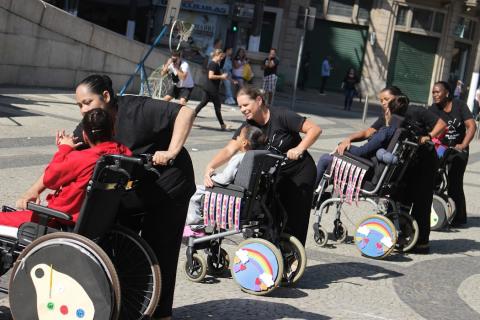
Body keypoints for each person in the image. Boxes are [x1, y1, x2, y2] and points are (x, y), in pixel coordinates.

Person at [20, 75, 196, 320]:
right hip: (135, 186)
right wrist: (33, 190)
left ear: (105, 96)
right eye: (79, 105)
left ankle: (160, 314)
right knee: (116, 239)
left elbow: (185, 113)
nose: (83, 109)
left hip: (170, 184)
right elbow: (67, 164)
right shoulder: (91, 125)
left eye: (87, 102)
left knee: (161, 248)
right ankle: (125, 304)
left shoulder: (137, 109)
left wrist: (172, 150)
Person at [203, 87, 322, 246]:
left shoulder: (281, 115)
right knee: (272, 216)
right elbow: (229, 149)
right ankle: (273, 256)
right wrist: (209, 167)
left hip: (299, 172)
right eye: (240, 107)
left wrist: (299, 148)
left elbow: (315, 129)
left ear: (259, 100)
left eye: (246, 105)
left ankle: (292, 256)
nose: (243, 110)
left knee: (295, 218)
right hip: (277, 175)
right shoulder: (248, 127)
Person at [336, 86, 446, 254]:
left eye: (386, 100)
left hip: (425, 161)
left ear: (397, 98)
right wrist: (348, 139)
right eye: (380, 100)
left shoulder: (416, 111)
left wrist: (428, 136)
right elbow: (368, 132)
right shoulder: (390, 117)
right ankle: (398, 233)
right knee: (398, 196)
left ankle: (422, 243)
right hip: (407, 164)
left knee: (422, 202)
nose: (383, 103)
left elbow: (441, 124)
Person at [9, 108, 131, 236]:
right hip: (96, 222)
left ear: (84, 135)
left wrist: (64, 149)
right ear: (113, 130)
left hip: (61, 221)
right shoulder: (125, 154)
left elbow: (50, 179)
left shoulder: (83, 158)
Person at [185, 125, 266, 235]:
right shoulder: (258, 157)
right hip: (246, 197)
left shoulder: (240, 157)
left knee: (193, 192)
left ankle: (196, 226)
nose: (236, 137)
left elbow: (225, 179)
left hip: (231, 195)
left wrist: (211, 176)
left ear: (244, 143)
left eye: (239, 136)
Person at [316, 95, 408, 184]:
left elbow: (362, 152)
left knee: (325, 159)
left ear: (387, 111)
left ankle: (310, 194)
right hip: (373, 168)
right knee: (332, 159)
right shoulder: (400, 131)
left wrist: (342, 145)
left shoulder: (386, 132)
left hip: (366, 169)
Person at [430, 81, 476, 227]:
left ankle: (460, 217)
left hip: (459, 149)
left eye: (438, 92)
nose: (435, 95)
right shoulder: (434, 109)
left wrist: (463, 145)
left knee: (454, 182)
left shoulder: (459, 105)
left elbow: (471, 126)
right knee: (433, 177)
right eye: (433, 92)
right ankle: (435, 210)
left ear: (447, 93)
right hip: (442, 148)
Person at [195, 49, 229, 131]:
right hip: (212, 89)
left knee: (203, 104)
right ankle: (223, 125)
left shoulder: (215, 64)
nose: (221, 58)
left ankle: (190, 117)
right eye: (221, 56)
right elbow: (210, 76)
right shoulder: (213, 64)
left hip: (210, 88)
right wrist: (221, 77)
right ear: (216, 55)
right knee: (217, 107)